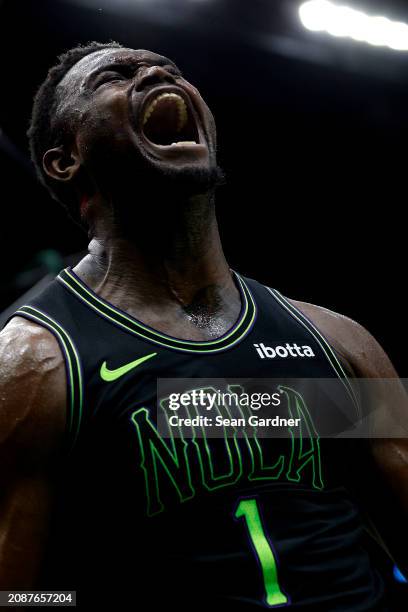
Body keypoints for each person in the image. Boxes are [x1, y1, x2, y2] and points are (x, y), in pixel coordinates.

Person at [0, 41, 406, 610]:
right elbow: (16, 596)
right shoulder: (32, 363)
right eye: (115, 76)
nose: (155, 74)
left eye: (168, 69)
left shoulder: (337, 340)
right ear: (64, 160)